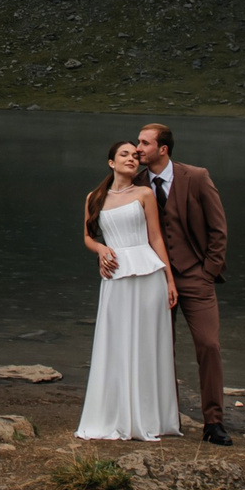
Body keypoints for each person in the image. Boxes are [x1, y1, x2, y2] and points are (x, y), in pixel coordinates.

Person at [74, 140, 180, 440]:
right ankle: (114, 414)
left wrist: (169, 280)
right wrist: (101, 250)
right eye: (125, 154)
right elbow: (88, 236)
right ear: (112, 162)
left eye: (135, 155)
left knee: (147, 344)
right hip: (116, 275)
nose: (132, 158)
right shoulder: (95, 197)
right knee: (115, 342)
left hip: (148, 274)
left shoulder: (144, 194)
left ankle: (148, 417)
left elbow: (156, 238)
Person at [136, 122, 233, 445]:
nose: (138, 148)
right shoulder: (135, 182)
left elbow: (218, 229)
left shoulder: (197, 177)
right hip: (153, 278)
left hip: (195, 276)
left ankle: (214, 423)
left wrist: (208, 271)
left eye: (145, 143)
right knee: (161, 349)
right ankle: (165, 417)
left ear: (163, 149)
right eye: (138, 142)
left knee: (209, 345)